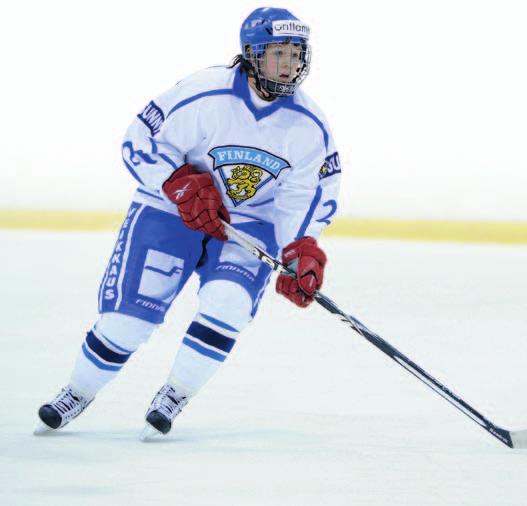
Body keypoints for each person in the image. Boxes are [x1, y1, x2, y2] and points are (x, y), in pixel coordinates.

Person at [35, 7, 341, 439]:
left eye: (296, 55)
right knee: (129, 321)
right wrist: (176, 182)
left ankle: (176, 393)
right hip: (169, 209)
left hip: (250, 223)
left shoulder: (309, 125)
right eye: (278, 54)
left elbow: (306, 196)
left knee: (228, 303)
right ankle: (78, 390)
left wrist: (301, 247)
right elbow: (138, 140)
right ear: (251, 54)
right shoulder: (204, 93)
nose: (290, 66)